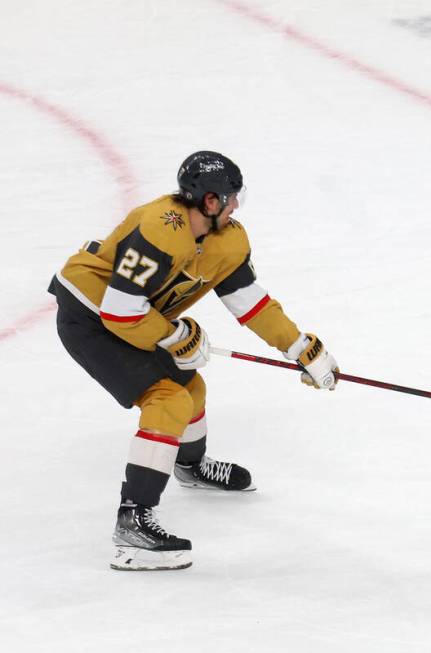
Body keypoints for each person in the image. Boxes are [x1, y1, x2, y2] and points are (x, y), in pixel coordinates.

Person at [48, 151, 340, 570]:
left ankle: (190, 466)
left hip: (133, 317)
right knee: (168, 400)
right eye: (230, 197)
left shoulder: (228, 239)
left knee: (190, 387)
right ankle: (132, 526)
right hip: (89, 316)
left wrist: (299, 348)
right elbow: (119, 309)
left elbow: (251, 304)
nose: (236, 205)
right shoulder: (161, 228)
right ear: (209, 200)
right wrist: (174, 336)